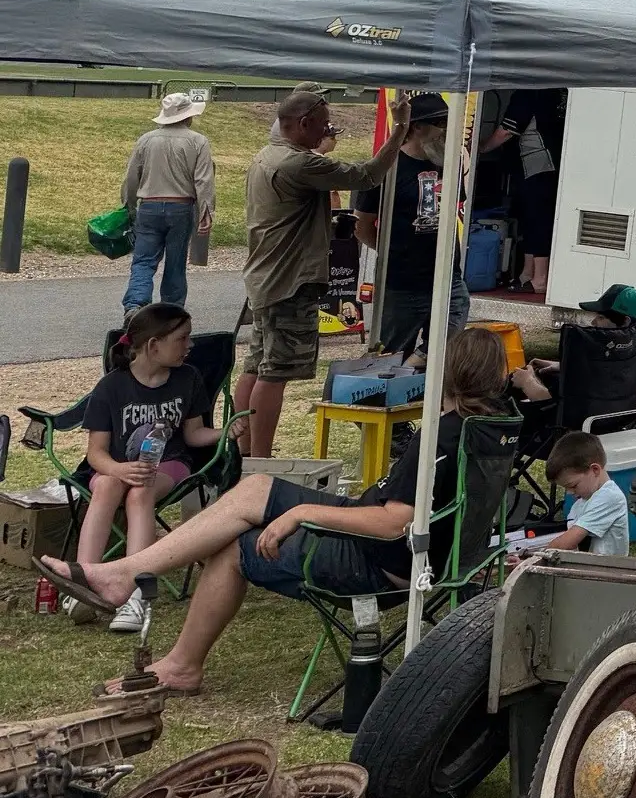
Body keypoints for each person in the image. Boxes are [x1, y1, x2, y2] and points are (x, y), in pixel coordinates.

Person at [44, 326, 511, 696]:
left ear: (446, 372)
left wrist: (301, 512)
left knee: (233, 546)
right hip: (445, 560)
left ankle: (172, 651)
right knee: (258, 487)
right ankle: (125, 574)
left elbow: (396, 522)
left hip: (381, 561)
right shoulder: (498, 423)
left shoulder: (444, 436)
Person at [239, 91, 413, 456]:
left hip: (266, 277)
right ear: (304, 124)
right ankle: (260, 459)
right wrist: (400, 129)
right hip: (291, 282)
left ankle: (242, 451)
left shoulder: (268, 155)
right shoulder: (301, 164)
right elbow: (367, 175)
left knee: (256, 365)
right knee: (276, 372)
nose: (328, 130)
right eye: (323, 124)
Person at [72, 303, 222, 634]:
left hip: (170, 465)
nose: (190, 345)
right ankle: (82, 580)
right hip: (115, 466)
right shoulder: (111, 387)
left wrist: (228, 432)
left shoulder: (188, 379)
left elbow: (194, 434)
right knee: (110, 486)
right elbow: (96, 453)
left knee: (140, 493)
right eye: (183, 339)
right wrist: (118, 470)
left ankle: (136, 595)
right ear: (154, 346)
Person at [353, 95, 471, 356]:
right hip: (402, 284)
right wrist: (392, 251)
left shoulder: (450, 162)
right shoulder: (388, 166)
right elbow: (361, 224)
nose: (447, 130)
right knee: (391, 355)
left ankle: (428, 385)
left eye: (451, 122)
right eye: (441, 123)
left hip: (448, 278)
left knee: (445, 353)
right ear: (417, 127)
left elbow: (455, 209)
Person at [119, 94, 214, 317]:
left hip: (149, 206)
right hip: (181, 207)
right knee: (176, 263)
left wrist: (129, 205)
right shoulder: (198, 141)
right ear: (188, 117)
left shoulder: (146, 140)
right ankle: (171, 310)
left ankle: (135, 304)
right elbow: (203, 180)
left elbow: (132, 177)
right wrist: (205, 211)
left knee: (143, 260)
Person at [512, 430, 630, 560]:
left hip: (606, 574)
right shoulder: (583, 501)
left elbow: (568, 542)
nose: (570, 492)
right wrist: (525, 558)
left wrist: (534, 560)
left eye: (573, 485)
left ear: (595, 470)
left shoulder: (610, 497)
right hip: (584, 567)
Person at [502, 92, 564, 294]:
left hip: (536, 163)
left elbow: (507, 131)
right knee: (531, 218)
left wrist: (479, 147)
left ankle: (540, 279)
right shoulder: (558, 92)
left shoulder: (526, 94)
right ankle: (527, 273)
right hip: (549, 163)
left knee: (537, 220)